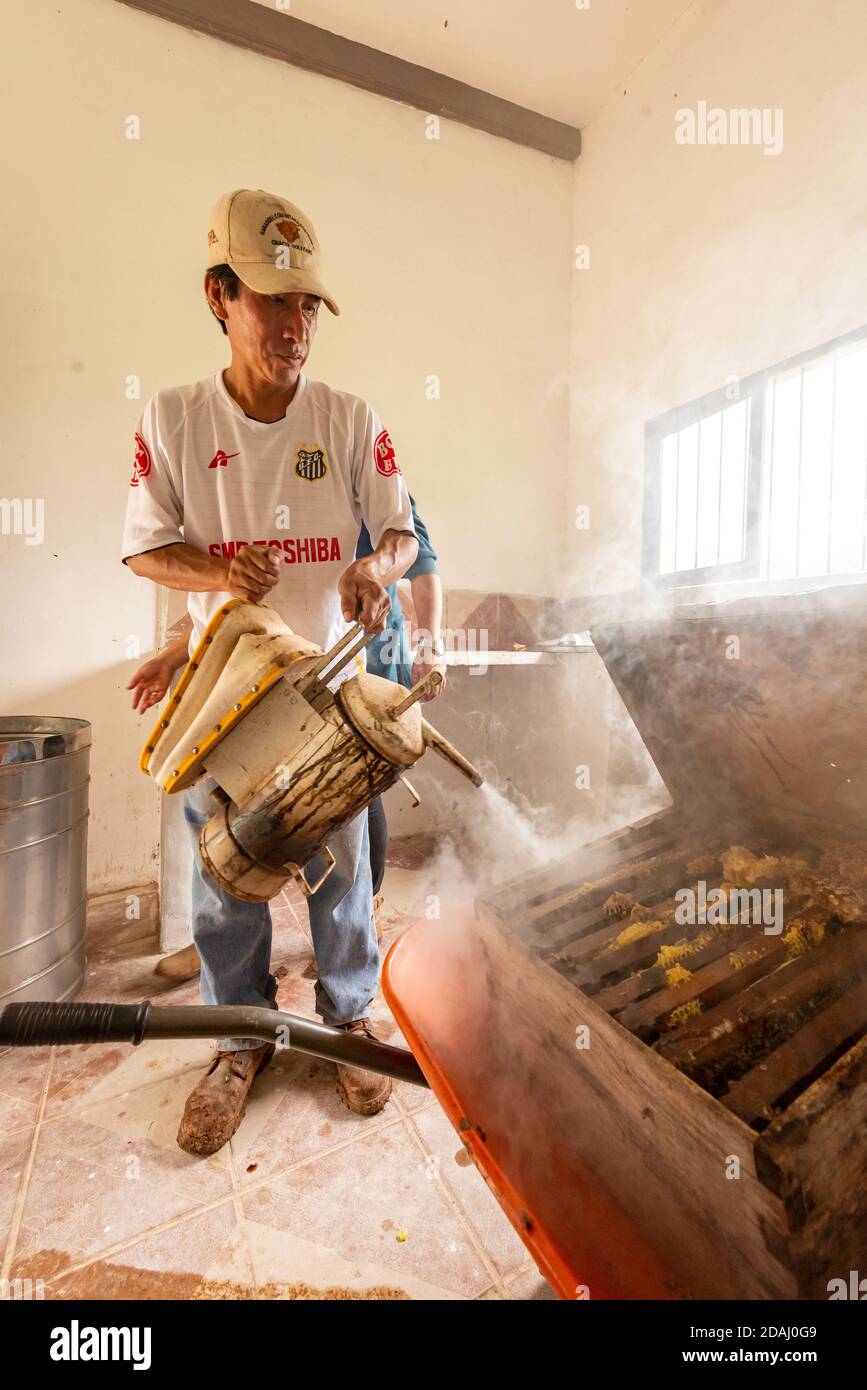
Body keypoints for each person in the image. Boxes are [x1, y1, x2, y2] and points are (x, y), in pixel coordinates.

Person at [121, 188, 418, 1155]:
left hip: (327, 692)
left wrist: (373, 567)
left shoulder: (347, 417)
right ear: (220, 294)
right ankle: (238, 1033)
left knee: (341, 866)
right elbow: (143, 550)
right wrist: (213, 577)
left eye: (306, 308)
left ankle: (344, 1021)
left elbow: (406, 536)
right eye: (272, 301)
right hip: (225, 696)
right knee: (224, 877)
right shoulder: (171, 419)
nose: (295, 328)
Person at [356, 500, 446, 910]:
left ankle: (366, 906)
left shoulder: (384, 487)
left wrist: (430, 647)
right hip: (311, 657)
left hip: (373, 660)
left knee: (362, 786)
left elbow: (423, 569)